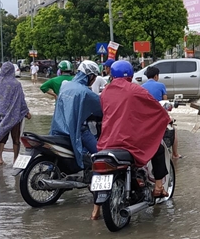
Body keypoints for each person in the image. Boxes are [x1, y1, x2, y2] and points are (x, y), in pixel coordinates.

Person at [96, 60, 172, 203]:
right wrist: (166, 118)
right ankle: (158, 187)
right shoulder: (136, 90)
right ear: (130, 75)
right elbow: (154, 108)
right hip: (128, 140)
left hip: (107, 140)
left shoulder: (105, 91)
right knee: (158, 149)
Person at [49, 61, 103, 218]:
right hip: (77, 131)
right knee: (101, 154)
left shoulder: (65, 85)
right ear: (90, 76)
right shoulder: (85, 93)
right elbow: (101, 108)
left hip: (59, 129)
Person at [140, 66, 180, 158]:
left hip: (146, 117)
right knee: (173, 130)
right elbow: (165, 103)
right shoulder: (161, 85)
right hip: (159, 116)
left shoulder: (141, 87)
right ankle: (175, 154)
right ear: (156, 76)